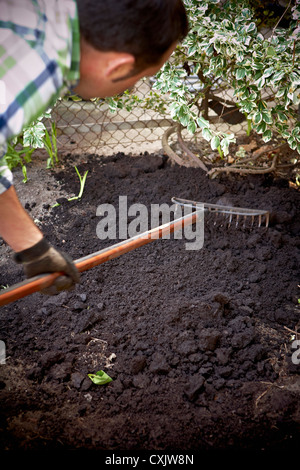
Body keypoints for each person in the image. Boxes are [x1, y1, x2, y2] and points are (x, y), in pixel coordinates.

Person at [0, 0, 188, 295]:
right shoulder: (37, 68)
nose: (134, 85)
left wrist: (33, 249)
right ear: (119, 67)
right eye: (142, 78)